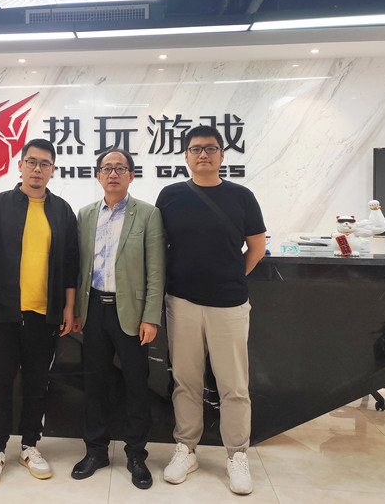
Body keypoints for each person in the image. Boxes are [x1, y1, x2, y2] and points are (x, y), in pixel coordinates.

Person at [155, 125, 266, 495]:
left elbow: (256, 248)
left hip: (229, 305)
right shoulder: (170, 195)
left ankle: (236, 454)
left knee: (234, 384)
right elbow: (159, 247)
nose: (203, 154)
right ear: (186, 156)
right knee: (185, 380)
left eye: (211, 148)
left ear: (221, 155)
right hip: (181, 302)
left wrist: (229, 277)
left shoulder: (241, 196)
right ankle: (186, 449)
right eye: (196, 148)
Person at [0, 138, 79, 487]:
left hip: (44, 315)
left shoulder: (61, 211)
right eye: (31, 162)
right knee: (0, 383)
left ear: (53, 170)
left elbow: (70, 263)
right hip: (2, 313)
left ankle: (30, 446)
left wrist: (69, 307)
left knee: (37, 384)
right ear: (20, 166)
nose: (37, 169)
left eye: (45, 164)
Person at [70, 148, 165, 490]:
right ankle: (95, 451)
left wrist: (150, 316)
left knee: (136, 385)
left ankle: (136, 454)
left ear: (131, 175)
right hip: (93, 309)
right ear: (98, 175)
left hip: (132, 313)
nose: (113, 173)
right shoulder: (85, 215)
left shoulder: (148, 214)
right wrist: (77, 311)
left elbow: (156, 270)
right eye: (107, 168)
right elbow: (79, 266)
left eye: (120, 168)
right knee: (95, 383)